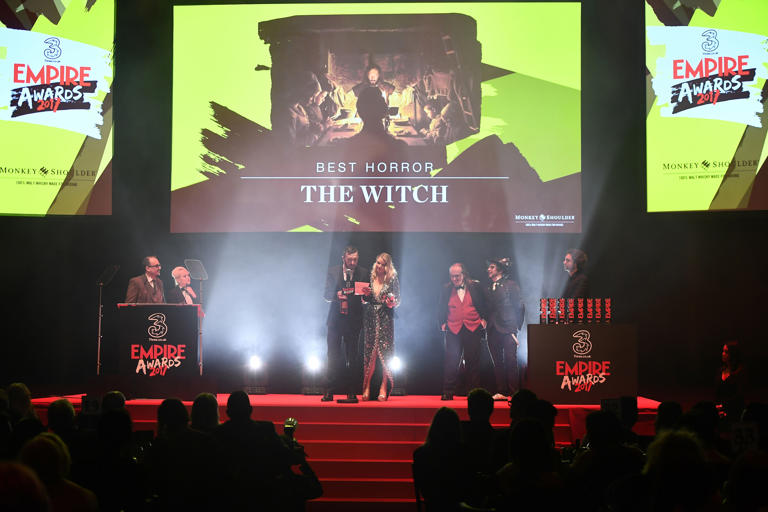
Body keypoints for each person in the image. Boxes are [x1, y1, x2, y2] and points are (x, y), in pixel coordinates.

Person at [322, 246, 369, 402]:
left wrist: (367, 296)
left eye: (355, 259)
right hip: (335, 322)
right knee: (332, 356)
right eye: (350, 259)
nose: (353, 262)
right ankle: (329, 391)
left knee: (352, 357)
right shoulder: (332, 271)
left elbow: (366, 299)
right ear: (344, 258)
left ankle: (352, 391)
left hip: (354, 321)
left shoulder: (363, 273)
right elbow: (326, 294)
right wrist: (337, 295)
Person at [438, 263, 488, 400]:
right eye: (452, 276)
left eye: (457, 276)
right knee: (451, 361)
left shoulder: (475, 286)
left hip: (472, 327)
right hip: (453, 328)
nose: (454, 279)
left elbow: (485, 303)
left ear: (464, 274)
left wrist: (484, 319)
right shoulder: (446, 289)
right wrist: (442, 322)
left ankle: (474, 393)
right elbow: (441, 306)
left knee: (473, 361)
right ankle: (448, 391)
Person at [361, 252, 400, 401]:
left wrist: (391, 302)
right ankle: (367, 386)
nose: (379, 266)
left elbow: (397, 300)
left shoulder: (392, 279)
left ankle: (384, 386)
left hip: (385, 318)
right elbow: (365, 299)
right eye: (378, 263)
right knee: (370, 353)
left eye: (383, 264)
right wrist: (365, 295)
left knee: (385, 353)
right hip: (370, 318)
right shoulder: (371, 277)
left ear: (387, 266)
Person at [485, 257, 525, 400]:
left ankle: (514, 392)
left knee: (510, 360)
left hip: (508, 327)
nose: (488, 270)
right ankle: (501, 390)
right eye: (489, 267)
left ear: (500, 270)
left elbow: (519, 306)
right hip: (492, 328)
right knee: (497, 361)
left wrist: (515, 326)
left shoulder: (510, 285)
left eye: (492, 267)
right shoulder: (488, 288)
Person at [716, 340, 747, 422]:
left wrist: (724, 406)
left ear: (733, 354)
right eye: (723, 351)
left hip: (735, 411)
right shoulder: (721, 371)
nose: (723, 354)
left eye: (726, 352)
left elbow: (740, 394)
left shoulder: (740, 372)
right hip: (720, 411)